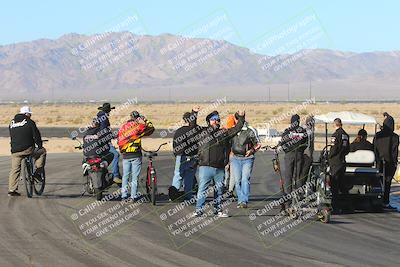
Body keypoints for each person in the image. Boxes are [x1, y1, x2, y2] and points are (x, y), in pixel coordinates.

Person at [193, 110, 245, 218]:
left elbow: (237, 128)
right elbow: (192, 125)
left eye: (217, 119)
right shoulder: (202, 132)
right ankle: (199, 210)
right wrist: (194, 112)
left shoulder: (223, 133)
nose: (216, 121)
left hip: (219, 168)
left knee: (219, 190)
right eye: (213, 119)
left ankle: (218, 210)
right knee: (202, 190)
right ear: (208, 122)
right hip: (205, 166)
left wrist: (241, 117)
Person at [8, 106, 47, 196]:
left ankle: (12, 190)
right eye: (30, 114)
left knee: (15, 169)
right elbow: (36, 135)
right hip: (27, 149)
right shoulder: (30, 122)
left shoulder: (11, 123)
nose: (30, 115)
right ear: (26, 114)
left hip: (15, 151)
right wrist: (39, 145)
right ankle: (37, 173)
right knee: (42, 152)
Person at [118, 111, 154, 200]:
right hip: (136, 155)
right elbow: (151, 129)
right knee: (135, 177)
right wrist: (145, 120)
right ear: (137, 118)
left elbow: (119, 140)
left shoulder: (123, 127)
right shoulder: (138, 126)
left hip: (125, 155)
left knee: (125, 176)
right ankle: (133, 196)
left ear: (130, 117)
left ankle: (124, 195)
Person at [230, 113, 261, 208]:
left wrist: (252, 151)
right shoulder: (232, 130)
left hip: (247, 159)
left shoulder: (250, 130)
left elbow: (258, 144)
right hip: (235, 158)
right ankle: (240, 200)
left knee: (244, 179)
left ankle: (244, 200)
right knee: (237, 181)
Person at [170, 106, 201, 201]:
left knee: (178, 175)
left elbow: (175, 145)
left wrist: (177, 155)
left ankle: (173, 195)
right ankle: (189, 196)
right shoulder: (197, 129)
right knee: (189, 177)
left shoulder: (179, 131)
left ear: (184, 120)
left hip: (181, 156)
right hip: (193, 156)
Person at [373, 114, 399, 210]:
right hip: (389, 163)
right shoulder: (395, 137)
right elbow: (394, 151)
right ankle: (385, 202)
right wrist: (395, 163)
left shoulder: (377, 135)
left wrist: (376, 159)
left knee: (378, 182)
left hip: (378, 162)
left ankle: (377, 201)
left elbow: (374, 148)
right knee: (387, 183)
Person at [279, 114, 308, 196]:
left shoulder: (287, 131)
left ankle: (288, 194)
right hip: (299, 154)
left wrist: (287, 151)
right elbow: (306, 143)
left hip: (289, 154)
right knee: (298, 174)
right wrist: (300, 151)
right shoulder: (302, 131)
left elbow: (283, 143)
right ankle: (298, 193)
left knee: (288, 175)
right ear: (298, 121)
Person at [82, 118, 114, 189]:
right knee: (111, 155)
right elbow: (107, 138)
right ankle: (106, 173)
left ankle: (86, 175)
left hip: (88, 156)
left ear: (92, 124)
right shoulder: (101, 132)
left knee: (84, 160)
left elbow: (84, 143)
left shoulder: (87, 132)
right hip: (98, 155)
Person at [328, 118, 350, 210]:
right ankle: (347, 206)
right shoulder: (346, 135)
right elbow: (348, 149)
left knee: (334, 185)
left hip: (335, 162)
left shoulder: (335, 135)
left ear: (335, 124)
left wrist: (329, 157)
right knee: (342, 184)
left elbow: (333, 149)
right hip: (342, 162)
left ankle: (335, 206)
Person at [97, 103, 121, 184]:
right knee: (116, 155)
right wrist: (112, 136)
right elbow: (104, 132)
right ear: (108, 111)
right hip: (104, 143)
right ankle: (115, 176)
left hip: (98, 143)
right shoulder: (104, 118)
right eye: (109, 110)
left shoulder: (99, 116)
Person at [223, 114, 236, 196]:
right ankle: (230, 189)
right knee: (231, 173)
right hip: (232, 154)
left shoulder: (225, 131)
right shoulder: (235, 131)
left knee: (227, 172)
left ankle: (227, 187)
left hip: (229, 154)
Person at [301, 115, 315, 181]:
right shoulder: (309, 131)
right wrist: (310, 156)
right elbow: (309, 145)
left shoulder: (307, 130)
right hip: (307, 155)